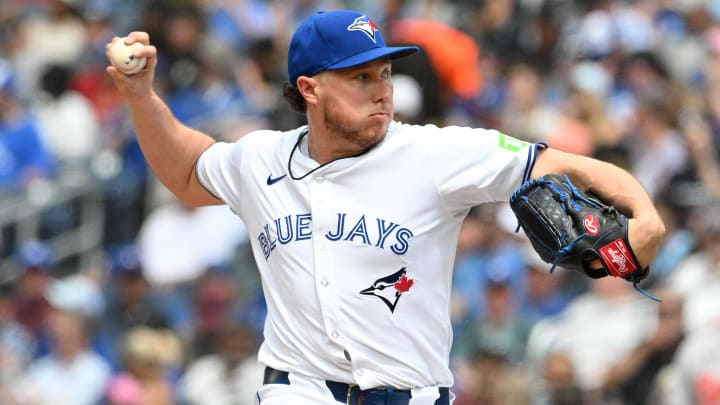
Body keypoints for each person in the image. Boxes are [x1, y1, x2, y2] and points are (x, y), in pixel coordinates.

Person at [105, 9, 665, 405]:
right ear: (310, 88)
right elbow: (184, 170)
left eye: (385, 73)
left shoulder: (435, 152)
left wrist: (646, 219)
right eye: (360, 77)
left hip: (414, 394)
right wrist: (140, 95)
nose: (382, 90)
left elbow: (569, 166)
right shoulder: (260, 160)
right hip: (297, 389)